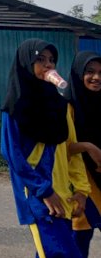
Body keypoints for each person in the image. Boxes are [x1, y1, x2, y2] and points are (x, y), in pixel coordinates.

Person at [1, 39, 89, 258]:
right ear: (26, 63)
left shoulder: (60, 106)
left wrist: (81, 190)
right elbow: (12, 154)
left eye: (51, 60)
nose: (48, 65)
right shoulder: (14, 107)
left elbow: (71, 150)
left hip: (64, 195)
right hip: (39, 196)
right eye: (40, 59)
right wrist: (44, 191)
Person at [67, 51, 101, 257]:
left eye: (100, 72)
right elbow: (62, 149)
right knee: (79, 240)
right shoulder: (68, 107)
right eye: (90, 72)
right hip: (81, 185)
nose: (97, 77)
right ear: (79, 73)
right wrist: (88, 147)